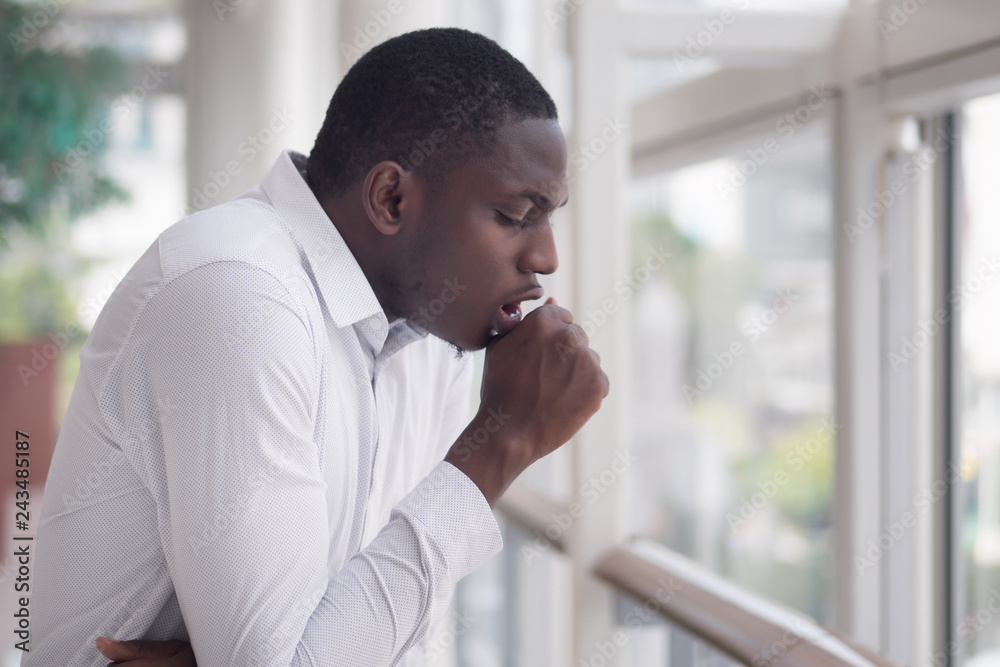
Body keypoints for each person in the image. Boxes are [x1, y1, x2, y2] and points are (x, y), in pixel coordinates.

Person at [28, 27, 608, 667]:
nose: (546, 257)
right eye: (514, 214)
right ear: (391, 198)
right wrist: (500, 443)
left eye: (550, 215)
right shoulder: (240, 296)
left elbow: (379, 635)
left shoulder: (431, 339)